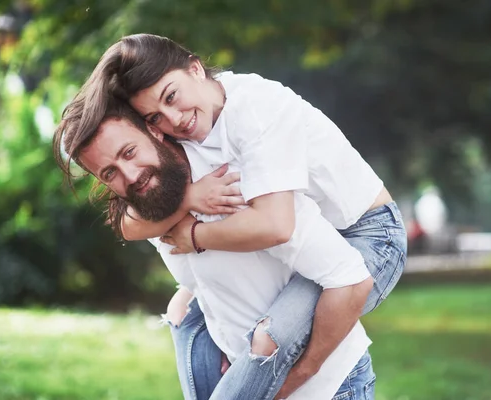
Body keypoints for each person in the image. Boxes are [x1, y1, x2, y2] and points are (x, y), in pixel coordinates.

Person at [60, 34, 408, 399]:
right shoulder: (175, 163)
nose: (173, 120)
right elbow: (126, 224)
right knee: (185, 312)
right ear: (150, 126)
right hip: (311, 238)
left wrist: (194, 235)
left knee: (272, 337)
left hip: (369, 230)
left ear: (196, 69)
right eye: (155, 116)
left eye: (172, 97)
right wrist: (191, 198)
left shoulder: (254, 114)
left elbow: (277, 226)